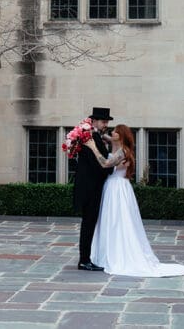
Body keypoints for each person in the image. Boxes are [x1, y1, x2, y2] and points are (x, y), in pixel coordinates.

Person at [87, 124, 184, 277]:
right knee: (109, 221)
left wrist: (93, 147)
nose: (111, 132)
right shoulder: (116, 146)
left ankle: (119, 254)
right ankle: (107, 252)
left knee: (119, 221)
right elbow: (104, 137)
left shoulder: (123, 152)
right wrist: (93, 132)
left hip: (118, 189)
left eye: (115, 131)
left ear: (120, 135)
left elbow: (106, 163)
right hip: (111, 187)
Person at [72, 106, 113, 271]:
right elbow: (103, 166)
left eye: (107, 122)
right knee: (88, 224)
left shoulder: (93, 136)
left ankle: (86, 258)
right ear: (94, 121)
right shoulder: (92, 137)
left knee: (89, 223)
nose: (106, 125)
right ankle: (84, 260)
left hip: (90, 186)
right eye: (103, 121)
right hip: (90, 188)